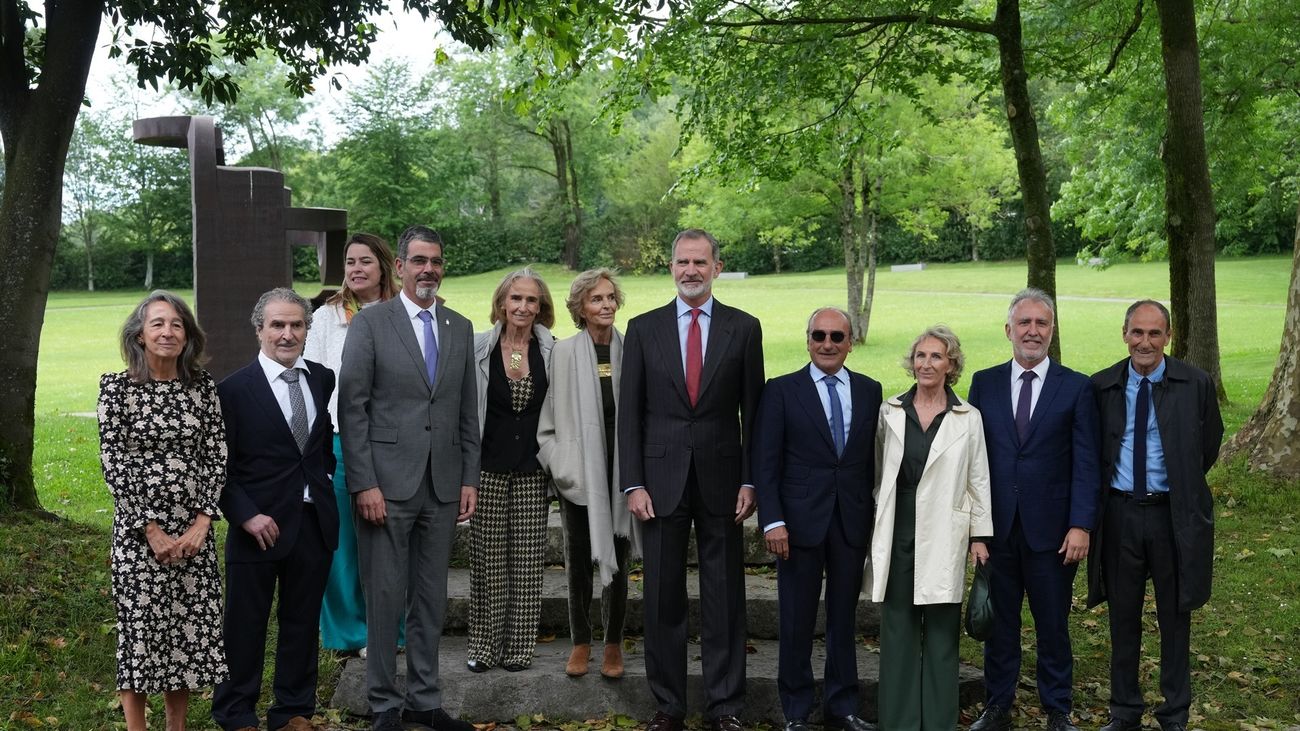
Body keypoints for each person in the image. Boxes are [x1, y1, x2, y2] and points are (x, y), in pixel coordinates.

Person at [619, 228, 764, 731]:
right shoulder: (644, 328)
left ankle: (726, 707)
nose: (691, 271)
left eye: (700, 262)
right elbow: (630, 413)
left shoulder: (744, 328)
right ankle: (668, 706)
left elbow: (754, 413)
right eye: (683, 262)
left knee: (725, 597)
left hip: (724, 481)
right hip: (659, 482)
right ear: (671, 267)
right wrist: (633, 482)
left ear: (717, 267)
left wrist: (751, 480)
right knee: (662, 597)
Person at [339, 225, 478, 731]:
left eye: (435, 261)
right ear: (399, 267)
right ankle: (383, 703)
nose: (428, 270)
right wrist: (364, 483)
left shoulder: (459, 326)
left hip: (442, 486)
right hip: (385, 486)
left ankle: (424, 698)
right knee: (384, 596)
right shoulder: (371, 323)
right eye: (419, 261)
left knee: (430, 597)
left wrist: (468, 478)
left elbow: (466, 410)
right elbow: (352, 408)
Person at [966, 288, 1100, 731]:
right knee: (999, 624)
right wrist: (976, 530)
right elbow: (972, 461)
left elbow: (1086, 461)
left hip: (1054, 532)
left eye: (1041, 323)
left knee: (1052, 625)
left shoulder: (1076, 386)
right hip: (997, 530)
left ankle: (1057, 709)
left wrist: (1081, 524)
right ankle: (997, 705)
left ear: (1052, 330)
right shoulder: (984, 383)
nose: (1032, 331)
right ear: (1008, 329)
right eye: (1024, 322)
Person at [1087, 300, 1223, 731]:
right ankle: (1124, 710)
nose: (1145, 342)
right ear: (1125, 334)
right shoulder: (1102, 386)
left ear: (1168, 336)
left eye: (1154, 333)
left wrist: (1179, 483)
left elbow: (1208, 443)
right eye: (1137, 332)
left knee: (1175, 617)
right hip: (1121, 514)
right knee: (1122, 617)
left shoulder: (1195, 383)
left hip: (1172, 516)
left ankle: (1174, 712)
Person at [98, 290, 228, 731]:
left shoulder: (202, 388)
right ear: (139, 334)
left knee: (186, 638)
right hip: (138, 535)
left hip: (193, 534)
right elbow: (114, 464)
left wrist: (202, 522)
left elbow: (216, 455)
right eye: (157, 323)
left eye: (176, 324)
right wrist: (150, 529)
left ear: (187, 335)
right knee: (139, 636)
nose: (168, 332)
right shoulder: (116, 389)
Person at [212, 288, 338, 731]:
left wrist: (322, 481)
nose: (287, 334)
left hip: (312, 522)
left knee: (301, 623)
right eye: (277, 325)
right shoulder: (231, 391)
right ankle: (236, 713)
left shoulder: (322, 378)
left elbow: (319, 448)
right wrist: (246, 514)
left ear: (307, 329)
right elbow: (218, 467)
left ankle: (292, 712)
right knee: (244, 625)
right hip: (257, 527)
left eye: (296, 325)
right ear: (259, 330)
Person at [752, 307, 881, 731]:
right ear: (807, 340)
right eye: (819, 335)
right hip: (797, 524)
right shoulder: (781, 390)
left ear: (850, 343)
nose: (827, 344)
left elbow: (871, 461)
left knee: (844, 619)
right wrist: (773, 520)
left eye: (837, 336)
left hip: (850, 522)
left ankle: (842, 708)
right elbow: (766, 461)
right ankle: (796, 712)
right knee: (796, 620)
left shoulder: (870, 391)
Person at [869, 325, 993, 731]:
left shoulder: (968, 417)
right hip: (898, 527)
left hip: (945, 531)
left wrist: (979, 536)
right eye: (920, 356)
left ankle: (939, 723)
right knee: (898, 631)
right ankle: (898, 723)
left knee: (941, 635)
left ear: (951, 365)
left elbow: (978, 480)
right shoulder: (890, 411)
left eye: (936, 356)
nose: (926, 363)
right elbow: (878, 473)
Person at [537, 268, 638, 680]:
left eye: (611, 297)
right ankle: (581, 640)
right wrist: (559, 461)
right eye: (597, 299)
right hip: (577, 473)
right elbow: (548, 417)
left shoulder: (632, 350)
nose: (607, 305)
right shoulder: (562, 353)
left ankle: (613, 642)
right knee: (578, 560)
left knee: (620, 558)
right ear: (580, 308)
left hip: (622, 470)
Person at [305, 233, 402, 654]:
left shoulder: (403, 312)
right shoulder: (327, 316)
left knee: (390, 539)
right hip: (339, 439)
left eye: (365, 261)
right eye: (350, 262)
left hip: (393, 441)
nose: (356, 269)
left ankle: (392, 628)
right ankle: (350, 632)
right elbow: (312, 377)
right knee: (342, 539)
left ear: (384, 266)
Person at [466, 268, 556, 671]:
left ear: (541, 307)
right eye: (516, 298)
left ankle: (519, 650)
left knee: (527, 564)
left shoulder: (553, 351)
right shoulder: (477, 349)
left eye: (531, 300)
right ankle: (484, 647)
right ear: (502, 303)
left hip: (533, 471)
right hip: (486, 469)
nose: (522, 306)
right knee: (487, 563)